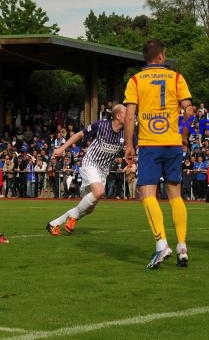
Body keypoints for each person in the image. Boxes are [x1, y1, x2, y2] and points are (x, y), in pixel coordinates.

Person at [124, 39, 193, 269]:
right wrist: (184, 133)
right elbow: (189, 110)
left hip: (150, 143)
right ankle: (182, 247)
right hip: (173, 142)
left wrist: (129, 145)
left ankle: (161, 244)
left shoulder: (135, 80)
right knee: (175, 195)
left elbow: (129, 115)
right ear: (162, 56)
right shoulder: (176, 77)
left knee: (148, 194)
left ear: (146, 57)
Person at [46, 105, 127, 235]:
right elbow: (79, 135)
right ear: (118, 116)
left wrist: (131, 159)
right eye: (126, 113)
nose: (130, 116)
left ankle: (54, 224)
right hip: (90, 162)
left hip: (103, 170)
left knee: (90, 208)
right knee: (99, 191)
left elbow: (134, 148)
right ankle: (72, 218)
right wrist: (62, 149)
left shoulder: (127, 132)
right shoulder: (101, 125)